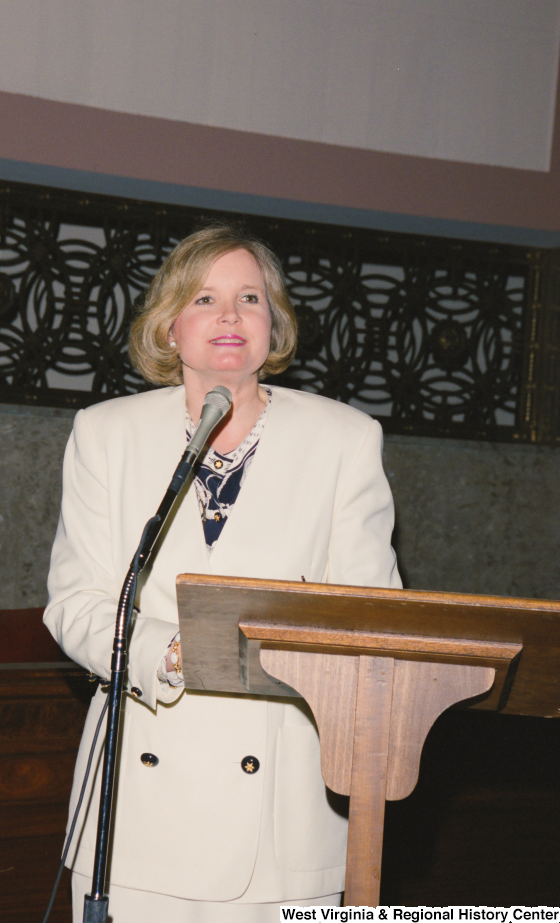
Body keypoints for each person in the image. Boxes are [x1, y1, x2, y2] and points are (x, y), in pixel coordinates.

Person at [44, 224, 401, 921]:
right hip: (143, 804)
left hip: (285, 809)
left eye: (250, 298)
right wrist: (173, 654)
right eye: (205, 298)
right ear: (169, 326)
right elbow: (77, 604)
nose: (230, 316)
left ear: (275, 326)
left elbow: (369, 614)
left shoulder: (344, 440)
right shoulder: (104, 433)